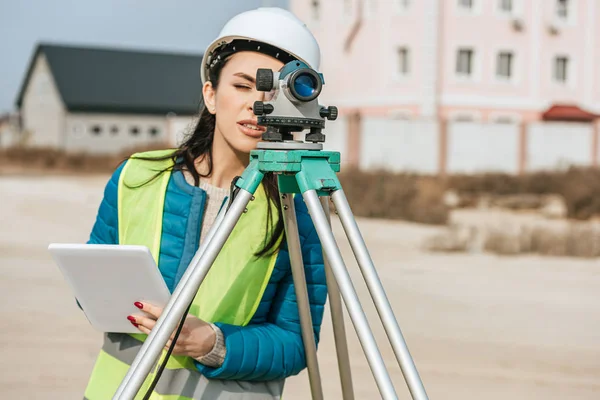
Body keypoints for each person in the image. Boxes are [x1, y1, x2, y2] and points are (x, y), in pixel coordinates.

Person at [81, 7, 327, 400]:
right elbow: (90, 285)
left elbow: (297, 344)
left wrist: (210, 342)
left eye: (273, 91)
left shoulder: (298, 209)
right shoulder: (137, 177)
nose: (257, 105)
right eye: (243, 86)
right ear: (211, 95)